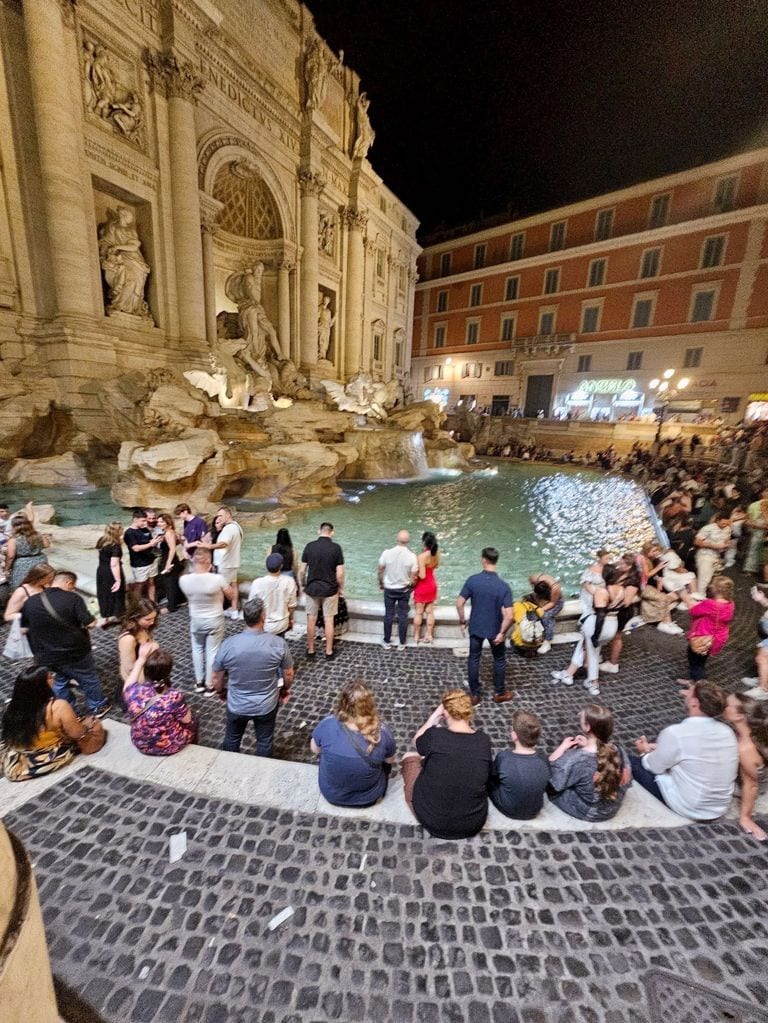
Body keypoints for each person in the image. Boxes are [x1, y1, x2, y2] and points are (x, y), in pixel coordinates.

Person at [632, 681, 739, 821]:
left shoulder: (675, 733)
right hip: (720, 806)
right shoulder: (727, 732)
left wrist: (645, 752)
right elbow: (697, 752)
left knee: (628, 761)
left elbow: (653, 767)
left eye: (689, 691)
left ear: (695, 703)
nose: (684, 694)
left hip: (690, 806)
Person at [401, 689, 492, 839]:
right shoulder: (483, 741)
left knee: (410, 757)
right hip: (472, 823)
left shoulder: (435, 736)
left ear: (446, 712)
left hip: (430, 818)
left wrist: (434, 717)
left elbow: (416, 742)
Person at [20, 570, 110, 717]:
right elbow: (91, 623)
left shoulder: (30, 602)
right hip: (74, 651)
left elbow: (24, 629)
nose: (73, 589)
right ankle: (98, 706)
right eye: (72, 586)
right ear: (68, 582)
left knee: (60, 681)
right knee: (88, 678)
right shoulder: (73, 598)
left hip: (46, 654)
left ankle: (68, 710)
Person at [211, 597, 294, 757]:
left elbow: (216, 677)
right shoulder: (278, 644)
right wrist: (284, 689)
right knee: (264, 741)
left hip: (237, 703)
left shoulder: (229, 644)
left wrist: (221, 692)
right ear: (263, 617)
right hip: (266, 704)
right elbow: (288, 674)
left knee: (232, 739)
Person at [1, 666, 103, 781]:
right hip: (45, 757)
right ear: (42, 686)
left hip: (17, 758)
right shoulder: (58, 707)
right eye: (50, 677)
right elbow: (77, 733)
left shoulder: (10, 707)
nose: (54, 677)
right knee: (91, 724)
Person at [311, 680, 396, 807]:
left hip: (332, 794)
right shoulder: (383, 733)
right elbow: (389, 761)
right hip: (369, 797)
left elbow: (315, 749)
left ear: (342, 703)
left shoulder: (326, 725)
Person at [547, 704, 631, 822]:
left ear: (587, 727)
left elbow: (553, 787)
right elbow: (626, 781)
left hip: (590, 811)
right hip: (612, 806)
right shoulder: (619, 751)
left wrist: (561, 749)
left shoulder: (576, 759)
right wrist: (588, 744)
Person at [551, 564, 625, 697]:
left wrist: (596, 635)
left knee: (592, 651)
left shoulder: (602, 592)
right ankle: (568, 674)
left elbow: (600, 615)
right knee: (584, 647)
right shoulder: (621, 590)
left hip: (597, 625)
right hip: (613, 624)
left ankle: (593, 682)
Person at [456, 547, 514, 705]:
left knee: (474, 658)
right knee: (499, 659)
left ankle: (475, 695)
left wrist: (463, 620)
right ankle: (499, 693)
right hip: (495, 628)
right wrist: (502, 633)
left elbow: (460, 603)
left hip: (476, 626)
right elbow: (510, 615)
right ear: (496, 561)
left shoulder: (473, 580)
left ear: (484, 560)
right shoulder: (503, 586)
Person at [123, 644, 197, 756]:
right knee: (194, 721)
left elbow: (128, 684)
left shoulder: (134, 691)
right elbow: (187, 720)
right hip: (168, 745)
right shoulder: (173, 697)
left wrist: (141, 660)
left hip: (141, 742)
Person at [179, 549, 235, 695]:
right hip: (214, 618)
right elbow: (232, 594)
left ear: (193, 561)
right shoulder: (217, 579)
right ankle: (210, 685)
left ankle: (199, 682)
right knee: (212, 651)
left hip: (196, 618)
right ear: (209, 563)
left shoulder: (184, 580)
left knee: (197, 649)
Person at [488, 710, 550, 820]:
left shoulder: (504, 757)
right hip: (534, 810)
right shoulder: (543, 759)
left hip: (509, 809)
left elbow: (494, 776)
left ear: (514, 736)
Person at [723, 693, 768, 841]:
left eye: (727, 704)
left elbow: (751, 785)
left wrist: (745, 817)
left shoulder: (745, 748)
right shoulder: (747, 733)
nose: (723, 704)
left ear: (739, 716)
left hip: (752, 785)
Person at [301, 522, 345, 660]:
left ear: (319, 531)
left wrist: (303, 584)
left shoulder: (309, 546)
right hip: (330, 589)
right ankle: (329, 652)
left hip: (312, 588)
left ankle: (311, 651)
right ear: (332, 532)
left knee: (311, 620)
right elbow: (340, 573)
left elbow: (302, 570)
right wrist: (340, 588)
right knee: (329, 621)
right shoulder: (336, 548)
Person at [679, 575, 735, 682]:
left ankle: (698, 689)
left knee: (695, 662)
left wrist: (686, 597)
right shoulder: (730, 604)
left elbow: (693, 611)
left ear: (715, 589)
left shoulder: (711, 604)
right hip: (716, 639)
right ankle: (693, 682)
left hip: (703, 637)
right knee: (701, 660)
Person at [198, 506, 243, 618]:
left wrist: (208, 546)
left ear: (228, 515)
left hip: (225, 563)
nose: (219, 518)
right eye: (217, 516)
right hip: (233, 562)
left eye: (221, 515)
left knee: (222, 588)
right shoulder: (237, 526)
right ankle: (234, 610)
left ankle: (222, 611)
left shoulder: (228, 528)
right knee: (233, 585)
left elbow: (224, 543)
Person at [378, 530, 418, 651]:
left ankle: (386, 640)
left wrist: (381, 583)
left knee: (389, 614)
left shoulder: (386, 553)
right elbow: (414, 576)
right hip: (404, 589)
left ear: (396, 539)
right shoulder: (412, 556)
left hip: (389, 588)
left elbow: (380, 570)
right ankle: (402, 642)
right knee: (403, 615)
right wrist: (411, 587)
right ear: (408, 541)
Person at [248, 553, 298, 636]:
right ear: (281, 566)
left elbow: (251, 606)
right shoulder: (289, 581)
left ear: (266, 566)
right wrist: (290, 619)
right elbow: (292, 606)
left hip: (264, 624)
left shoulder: (257, 583)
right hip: (282, 624)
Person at [124, 508, 161, 602]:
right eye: (143, 520)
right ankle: (138, 606)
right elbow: (135, 548)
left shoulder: (145, 530)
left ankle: (152, 603)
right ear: (135, 520)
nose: (145, 523)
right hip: (139, 564)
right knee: (140, 585)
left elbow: (149, 541)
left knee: (151, 582)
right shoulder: (129, 533)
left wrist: (154, 542)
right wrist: (150, 544)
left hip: (150, 561)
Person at [5, 513, 50, 591]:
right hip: (40, 561)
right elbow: (46, 545)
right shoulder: (38, 535)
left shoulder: (14, 539)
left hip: (22, 564)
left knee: (22, 585)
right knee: (41, 582)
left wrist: (6, 569)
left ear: (14, 526)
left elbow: (11, 556)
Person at [118, 598, 159, 683]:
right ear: (136, 618)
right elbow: (130, 669)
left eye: (154, 618)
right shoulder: (128, 639)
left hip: (147, 676)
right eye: (148, 619)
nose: (152, 622)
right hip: (138, 683)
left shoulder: (143, 627)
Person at [95, 521, 126, 626]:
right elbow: (114, 564)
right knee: (116, 594)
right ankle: (119, 615)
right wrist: (118, 580)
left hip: (101, 570)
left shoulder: (102, 541)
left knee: (104, 593)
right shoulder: (115, 546)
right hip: (111, 572)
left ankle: (106, 617)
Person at [694, 512, 732, 595]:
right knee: (704, 579)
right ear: (717, 521)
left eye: (727, 523)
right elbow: (697, 542)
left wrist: (727, 544)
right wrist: (714, 545)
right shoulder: (708, 528)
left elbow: (727, 539)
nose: (725, 525)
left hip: (717, 556)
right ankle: (699, 598)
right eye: (723, 523)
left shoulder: (728, 528)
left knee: (714, 579)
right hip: (705, 555)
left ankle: (708, 597)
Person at [155, 511, 186, 613]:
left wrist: (168, 564)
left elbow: (172, 549)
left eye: (161, 522)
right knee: (174, 581)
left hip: (169, 559)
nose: (159, 524)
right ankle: (181, 600)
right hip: (172, 559)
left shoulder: (169, 533)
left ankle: (171, 606)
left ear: (167, 522)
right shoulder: (169, 532)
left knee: (169, 582)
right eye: (158, 522)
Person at [413, 531, 440, 645]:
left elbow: (422, 575)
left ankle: (416, 635)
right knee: (430, 612)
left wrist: (414, 573)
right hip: (432, 584)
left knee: (419, 613)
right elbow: (436, 566)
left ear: (424, 542)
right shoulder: (437, 553)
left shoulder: (422, 556)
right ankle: (429, 635)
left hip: (423, 586)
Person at [527, 573, 563, 654]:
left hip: (555, 602)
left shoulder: (555, 588)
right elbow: (531, 581)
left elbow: (553, 603)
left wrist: (539, 610)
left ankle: (548, 641)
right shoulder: (536, 578)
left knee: (545, 616)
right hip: (541, 596)